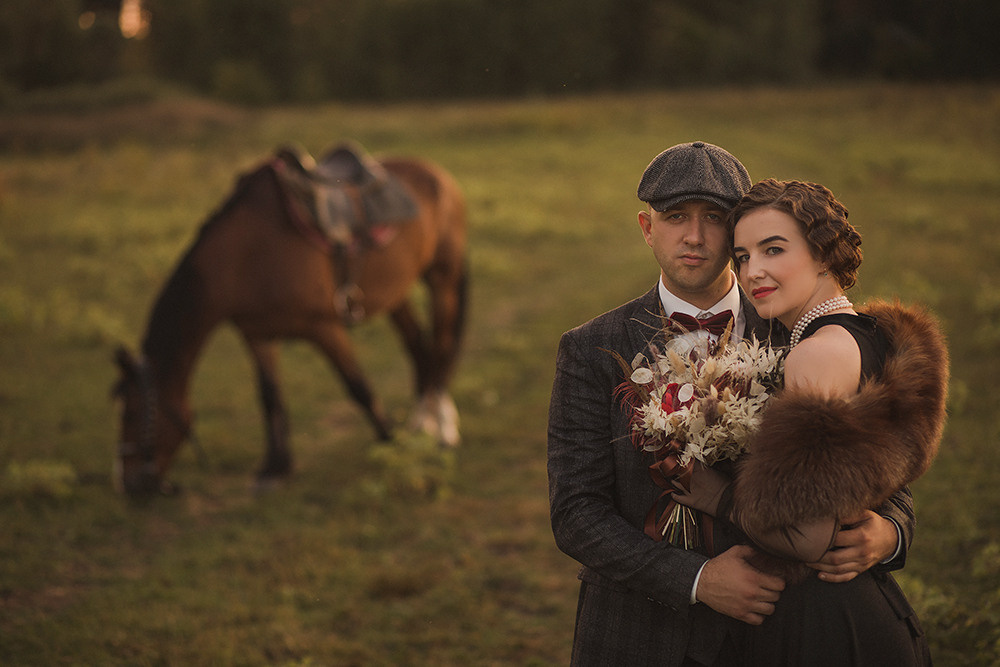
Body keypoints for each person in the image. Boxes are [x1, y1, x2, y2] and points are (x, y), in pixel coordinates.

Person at [547, 143, 916, 666]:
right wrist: (696, 579)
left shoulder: (796, 329)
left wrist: (891, 531)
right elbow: (576, 512)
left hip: (787, 628)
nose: (694, 236)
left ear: (737, 229)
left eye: (714, 218)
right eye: (675, 216)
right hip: (642, 633)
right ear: (647, 227)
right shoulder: (591, 348)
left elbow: (880, 462)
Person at [675, 178, 948, 665]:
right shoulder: (871, 338)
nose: (753, 271)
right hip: (867, 612)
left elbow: (808, 537)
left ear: (823, 254)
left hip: (825, 624)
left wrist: (715, 494)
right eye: (742, 256)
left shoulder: (815, 355)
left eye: (773, 249)